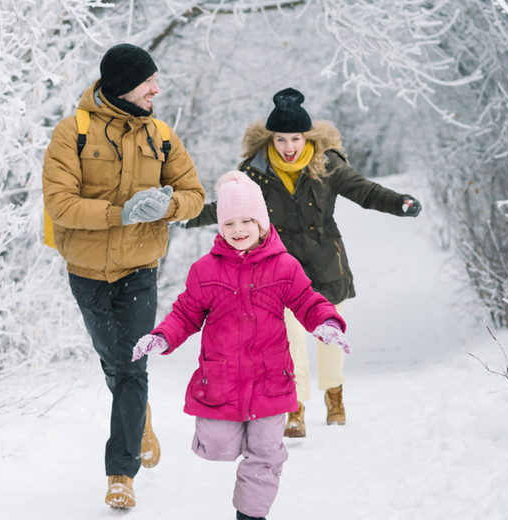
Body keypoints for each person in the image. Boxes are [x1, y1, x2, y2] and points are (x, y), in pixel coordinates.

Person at [185, 87, 421, 438]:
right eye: (281, 139)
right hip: (279, 270)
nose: (289, 147)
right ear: (271, 139)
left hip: (326, 263)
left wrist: (399, 202)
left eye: (295, 138)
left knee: (329, 338)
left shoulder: (327, 165)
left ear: (306, 137)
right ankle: (295, 407)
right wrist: (181, 215)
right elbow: (227, 209)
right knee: (289, 341)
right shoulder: (256, 172)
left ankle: (334, 393)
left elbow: (365, 191)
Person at [131, 171, 351, 520]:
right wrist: (162, 337)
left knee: (265, 453)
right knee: (215, 443)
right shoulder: (205, 270)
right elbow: (186, 313)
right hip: (221, 380)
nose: (239, 229)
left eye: (247, 220)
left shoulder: (284, 266)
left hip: (271, 380)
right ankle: (231, 448)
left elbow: (308, 301)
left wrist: (326, 323)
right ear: (220, 227)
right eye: (230, 222)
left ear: (262, 223)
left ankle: (250, 514)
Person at [41, 43, 205, 509]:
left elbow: (194, 193)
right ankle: (139, 419)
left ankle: (121, 473)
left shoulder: (161, 135)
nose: (157, 88)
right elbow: (62, 205)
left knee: (132, 365)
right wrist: (123, 213)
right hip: (87, 272)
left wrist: (168, 206)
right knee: (115, 363)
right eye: (148, 81)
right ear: (122, 86)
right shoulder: (72, 133)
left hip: (140, 271)